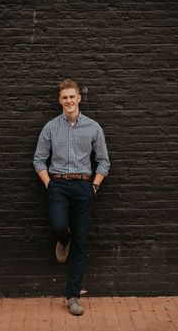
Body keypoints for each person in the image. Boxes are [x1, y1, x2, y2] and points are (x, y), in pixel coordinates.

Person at [33, 79, 110, 315]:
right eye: (64, 97)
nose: (68, 101)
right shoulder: (50, 128)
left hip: (84, 186)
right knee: (58, 226)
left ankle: (73, 296)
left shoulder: (93, 127)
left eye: (72, 97)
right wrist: (50, 185)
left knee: (81, 242)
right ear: (60, 100)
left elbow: (104, 161)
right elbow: (38, 159)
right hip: (57, 184)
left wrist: (94, 186)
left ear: (79, 98)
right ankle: (62, 240)